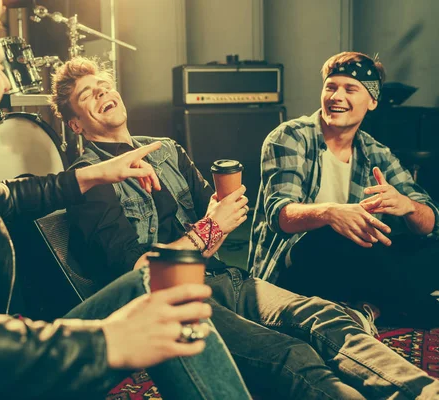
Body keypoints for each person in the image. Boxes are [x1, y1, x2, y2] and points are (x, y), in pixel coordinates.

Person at [0, 1, 254, 399]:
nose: (4, 84)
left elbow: (12, 198)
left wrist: (97, 172)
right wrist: (104, 343)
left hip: (3, 358)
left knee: (153, 283)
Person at [54, 56, 439, 400]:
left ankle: (423, 391)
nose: (103, 92)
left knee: (325, 317)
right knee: (290, 353)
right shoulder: (86, 179)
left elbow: (226, 211)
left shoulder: (166, 149)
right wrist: (209, 230)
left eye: (105, 85)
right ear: (75, 123)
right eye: (88, 95)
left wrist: (215, 223)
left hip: (226, 278)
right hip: (171, 300)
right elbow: (141, 274)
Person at [249, 51, 439, 328]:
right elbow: (281, 215)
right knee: (335, 236)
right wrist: (330, 213)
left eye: (350, 89)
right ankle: (414, 308)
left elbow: (429, 222)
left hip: (358, 264)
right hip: (297, 268)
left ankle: (371, 309)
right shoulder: (290, 137)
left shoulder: (376, 152)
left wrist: (407, 205)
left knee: (415, 247)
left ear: (372, 101)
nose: (336, 96)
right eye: (330, 87)